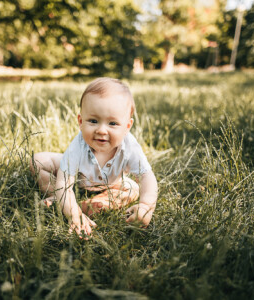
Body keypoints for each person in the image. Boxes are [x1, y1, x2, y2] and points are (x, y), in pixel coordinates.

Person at [30, 77, 158, 237]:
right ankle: (58, 197)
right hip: (77, 177)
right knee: (37, 161)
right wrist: (73, 216)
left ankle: (87, 205)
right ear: (80, 121)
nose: (102, 130)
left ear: (127, 127)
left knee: (132, 189)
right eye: (93, 121)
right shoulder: (78, 145)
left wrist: (146, 206)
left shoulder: (129, 146)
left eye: (112, 124)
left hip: (112, 185)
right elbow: (64, 183)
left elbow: (147, 177)